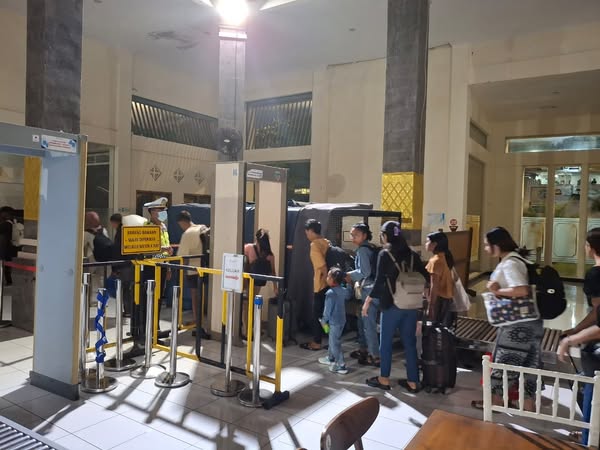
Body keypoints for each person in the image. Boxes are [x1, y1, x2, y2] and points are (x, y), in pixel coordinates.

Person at [471, 227, 543, 412]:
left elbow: (521, 290)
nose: (486, 249)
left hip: (516, 325)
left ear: (497, 245)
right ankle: (527, 405)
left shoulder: (510, 263)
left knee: (504, 362)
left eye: (487, 245)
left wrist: (496, 290)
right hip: (532, 320)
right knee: (529, 365)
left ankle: (496, 401)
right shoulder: (518, 259)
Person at [365, 221, 429, 392]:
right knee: (410, 343)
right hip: (412, 306)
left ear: (385, 236)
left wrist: (368, 300)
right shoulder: (412, 255)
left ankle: (384, 379)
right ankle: (413, 382)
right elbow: (426, 276)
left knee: (385, 343)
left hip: (392, 305)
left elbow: (379, 281)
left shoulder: (385, 254)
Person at [558, 228, 600, 445]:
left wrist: (571, 339)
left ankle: (588, 438)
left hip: (597, 352)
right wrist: (576, 330)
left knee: (591, 390)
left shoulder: (595, 275)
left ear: (590, 248)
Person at [346, 223, 380, 367]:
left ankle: (374, 356)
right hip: (376, 289)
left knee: (368, 324)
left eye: (356, 235)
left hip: (368, 291)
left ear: (364, 235)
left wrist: (349, 275)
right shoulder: (372, 248)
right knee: (364, 321)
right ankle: (364, 349)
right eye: (352, 235)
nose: (353, 238)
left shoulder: (362, 250)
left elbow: (365, 272)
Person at [300, 219, 330, 351]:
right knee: (327, 314)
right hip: (331, 284)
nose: (306, 234)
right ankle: (330, 337)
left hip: (321, 284)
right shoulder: (326, 242)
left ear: (311, 231)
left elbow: (322, 266)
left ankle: (317, 342)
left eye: (307, 232)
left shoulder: (315, 245)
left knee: (317, 315)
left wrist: (326, 280)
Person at [176, 210, 209, 327]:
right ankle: (200, 321)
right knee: (202, 295)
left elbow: (182, 256)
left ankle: (197, 321)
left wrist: (182, 271)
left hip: (193, 270)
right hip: (206, 267)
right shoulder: (202, 227)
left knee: (195, 296)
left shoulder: (187, 234)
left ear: (181, 222)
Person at [318, 267, 352, 374]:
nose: (327, 278)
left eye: (328, 276)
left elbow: (327, 311)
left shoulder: (330, 293)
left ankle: (341, 365)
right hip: (342, 320)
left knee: (334, 344)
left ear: (333, 280)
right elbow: (349, 294)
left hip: (334, 322)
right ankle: (330, 358)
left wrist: (323, 321)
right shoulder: (343, 290)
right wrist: (349, 284)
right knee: (333, 339)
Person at [425, 231, 455, 327]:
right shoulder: (445, 257)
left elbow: (434, 286)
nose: (426, 244)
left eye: (428, 241)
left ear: (434, 244)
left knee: (435, 327)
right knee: (444, 327)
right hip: (448, 298)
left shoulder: (435, 261)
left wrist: (431, 306)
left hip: (439, 300)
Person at [0, 207, 15, 285]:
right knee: (7, 266)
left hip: (5, 249)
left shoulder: (6, 224)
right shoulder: (10, 224)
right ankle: (9, 281)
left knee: (5, 267)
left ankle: (8, 282)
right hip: (8, 249)